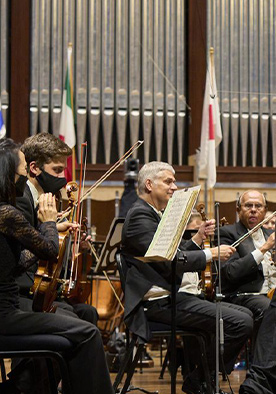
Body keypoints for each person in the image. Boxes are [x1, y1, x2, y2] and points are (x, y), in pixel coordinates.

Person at [120, 161, 253, 394]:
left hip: (169, 297)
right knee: (240, 322)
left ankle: (202, 379)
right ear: (149, 184)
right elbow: (166, 261)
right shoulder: (140, 216)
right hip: (154, 304)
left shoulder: (153, 214)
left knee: (245, 315)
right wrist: (210, 254)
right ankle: (200, 380)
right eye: (168, 181)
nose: (175, 187)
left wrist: (199, 237)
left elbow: (175, 251)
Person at [0, 138, 113, 394]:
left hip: (8, 310)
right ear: (11, 175)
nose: (23, 179)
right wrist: (49, 224)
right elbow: (47, 252)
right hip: (7, 314)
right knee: (88, 333)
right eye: (20, 173)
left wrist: (57, 236)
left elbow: (17, 262)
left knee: (80, 322)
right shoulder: (7, 213)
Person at [14, 132, 98, 324]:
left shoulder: (45, 199)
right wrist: (50, 226)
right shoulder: (21, 199)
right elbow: (21, 256)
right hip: (22, 294)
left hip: (40, 290)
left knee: (88, 313)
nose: (63, 177)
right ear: (34, 168)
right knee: (84, 326)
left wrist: (71, 246)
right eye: (57, 170)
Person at [217, 190, 276, 340]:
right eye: (248, 205)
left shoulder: (272, 234)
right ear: (238, 210)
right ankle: (263, 361)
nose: (253, 210)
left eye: (258, 206)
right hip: (246, 294)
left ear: (265, 210)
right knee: (270, 308)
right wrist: (263, 249)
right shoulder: (227, 233)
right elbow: (231, 272)